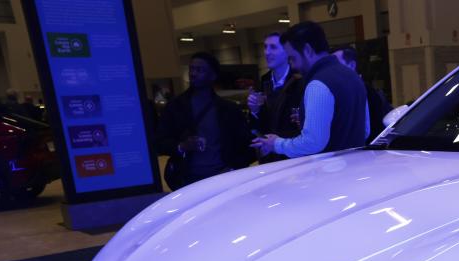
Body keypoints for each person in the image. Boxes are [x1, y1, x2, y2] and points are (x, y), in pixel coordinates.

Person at [251, 21, 368, 159]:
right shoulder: (353, 77)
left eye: (293, 58)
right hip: (356, 167)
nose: (292, 64)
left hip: (330, 172)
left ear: (307, 50)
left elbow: (313, 143)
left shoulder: (318, 84)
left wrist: (276, 144)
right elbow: (365, 130)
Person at [156, 52, 254, 189]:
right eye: (191, 69)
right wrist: (182, 146)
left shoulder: (229, 109)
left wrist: (233, 168)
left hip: (223, 178)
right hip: (188, 179)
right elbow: (160, 142)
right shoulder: (175, 107)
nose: (193, 73)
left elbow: (246, 145)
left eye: (200, 70)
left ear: (213, 76)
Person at [248, 32, 303, 162]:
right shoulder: (263, 81)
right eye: (265, 47)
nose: (267, 52)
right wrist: (255, 111)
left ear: (286, 51)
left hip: (294, 156)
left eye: (273, 47)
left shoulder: (300, 80)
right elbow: (258, 126)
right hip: (270, 158)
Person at [332, 46, 393, 141]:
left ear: (352, 65)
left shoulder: (365, 91)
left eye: (336, 65)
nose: (332, 70)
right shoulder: (349, 90)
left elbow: (368, 131)